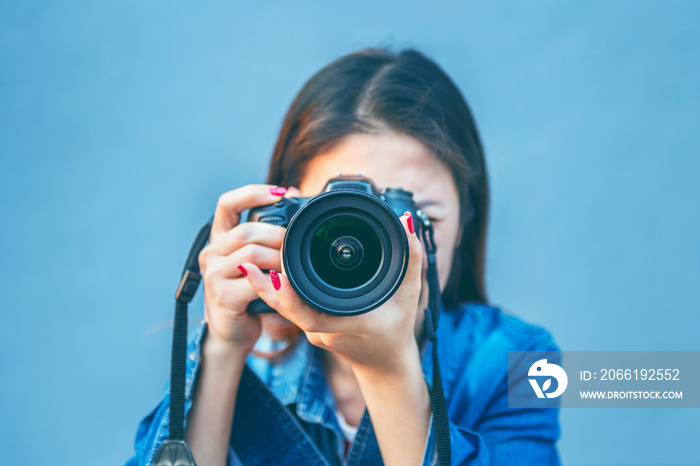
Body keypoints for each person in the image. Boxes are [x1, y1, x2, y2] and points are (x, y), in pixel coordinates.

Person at [127, 47, 562, 466]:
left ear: (465, 223)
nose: (381, 246)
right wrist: (222, 350)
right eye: (341, 220)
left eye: (414, 216)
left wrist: (389, 372)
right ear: (284, 221)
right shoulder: (250, 358)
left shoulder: (514, 361)